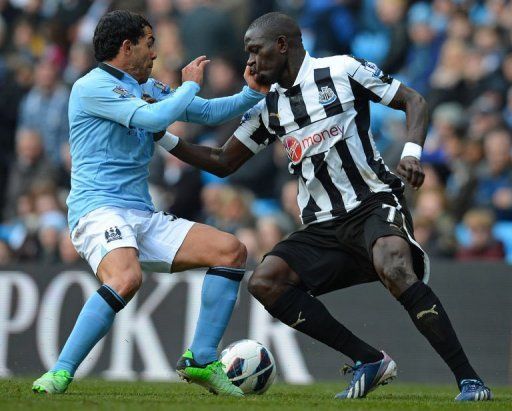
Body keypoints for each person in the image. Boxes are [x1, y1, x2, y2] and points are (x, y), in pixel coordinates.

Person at [165, 12, 492, 402]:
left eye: (255, 51)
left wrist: (412, 153)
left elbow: (413, 100)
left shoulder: (341, 70)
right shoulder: (270, 108)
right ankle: (368, 360)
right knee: (265, 281)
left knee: (395, 265)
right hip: (322, 225)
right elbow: (222, 160)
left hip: (372, 202)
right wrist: (162, 137)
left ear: (282, 45)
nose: (249, 62)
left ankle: (470, 381)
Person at [31, 10, 268, 396]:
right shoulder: (91, 87)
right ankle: (59, 373)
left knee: (231, 250)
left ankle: (202, 359)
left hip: (140, 213)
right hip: (98, 209)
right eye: (149, 43)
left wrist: (250, 94)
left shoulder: (145, 85)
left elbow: (204, 112)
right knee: (126, 278)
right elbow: (157, 117)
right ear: (128, 47)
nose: (154, 53)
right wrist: (188, 85)